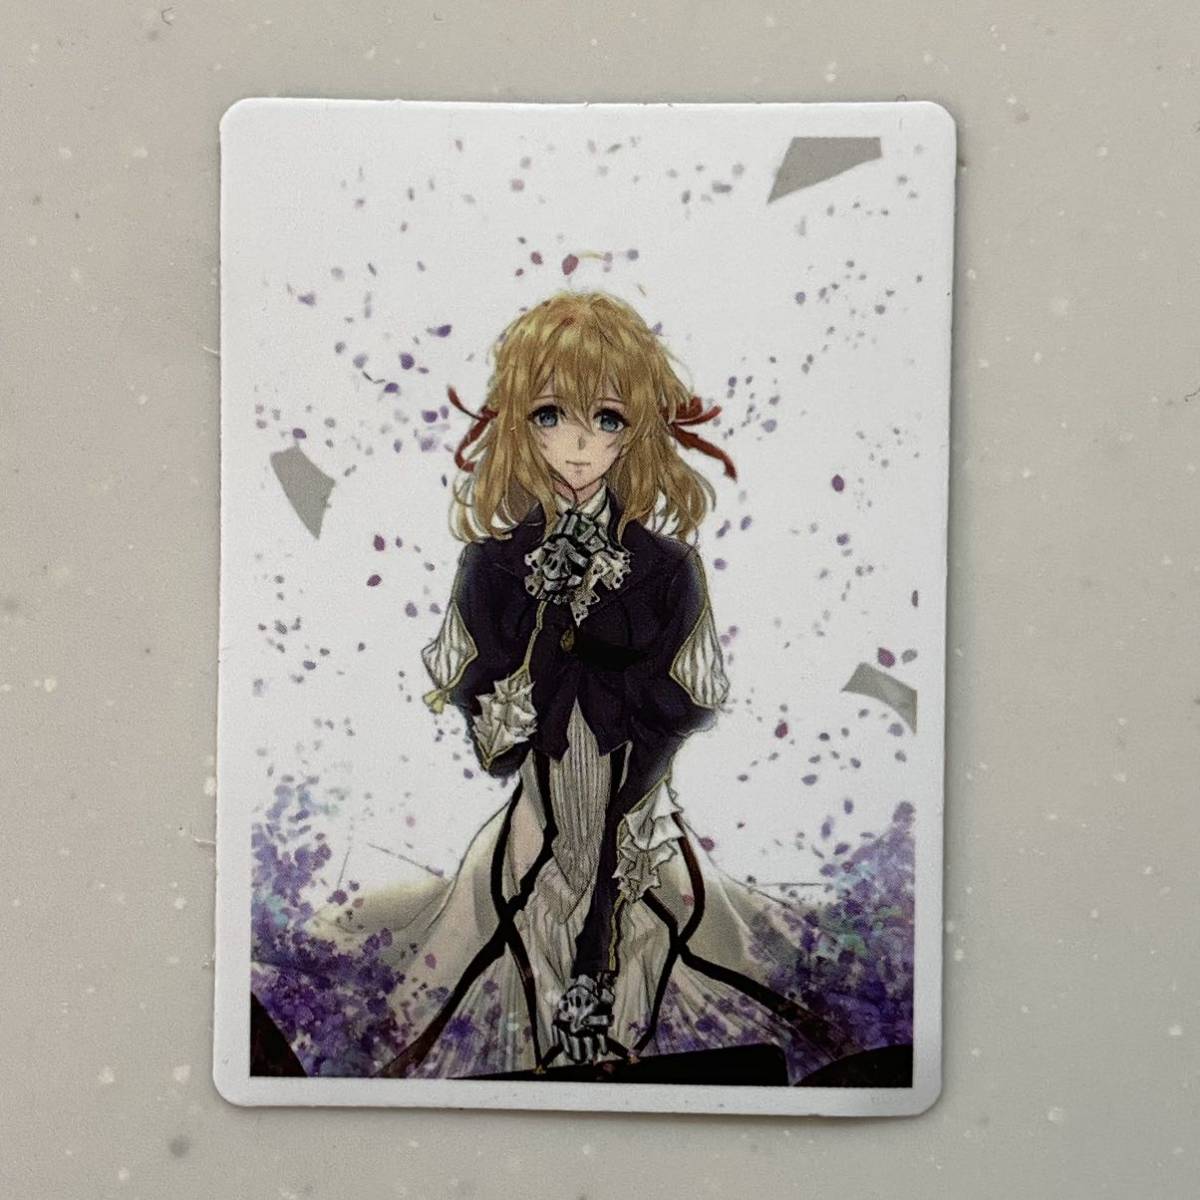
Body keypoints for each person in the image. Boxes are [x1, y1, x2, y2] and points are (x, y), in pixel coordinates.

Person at [252, 290, 860, 1082]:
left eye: (606, 419)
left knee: (676, 948)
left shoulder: (668, 567)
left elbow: (679, 711)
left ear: (636, 429)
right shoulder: (492, 564)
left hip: (637, 806)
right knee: (496, 954)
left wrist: (615, 844)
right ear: (519, 423)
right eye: (550, 416)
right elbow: (494, 743)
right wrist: (542, 630)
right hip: (536, 806)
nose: (578, 446)